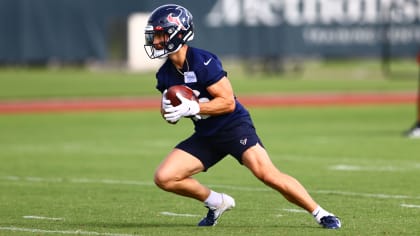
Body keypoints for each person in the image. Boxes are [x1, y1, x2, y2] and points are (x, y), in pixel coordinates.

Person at [144, 4, 341, 229]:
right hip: (206, 134)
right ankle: (216, 202)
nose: (156, 41)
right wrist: (171, 112)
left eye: (160, 35)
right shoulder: (165, 73)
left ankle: (320, 213)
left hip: (233, 127)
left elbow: (228, 103)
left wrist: (195, 108)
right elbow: (167, 111)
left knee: (266, 173)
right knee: (165, 177)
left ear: (177, 33)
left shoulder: (203, 62)